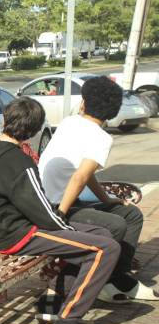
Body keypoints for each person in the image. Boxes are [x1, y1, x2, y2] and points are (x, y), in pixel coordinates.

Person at [0, 97, 118, 324]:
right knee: (106, 249)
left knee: (101, 234)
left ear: (5, 119)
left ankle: (53, 301)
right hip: (19, 234)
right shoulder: (19, 163)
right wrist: (67, 228)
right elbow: (43, 212)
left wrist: (69, 228)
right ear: (35, 132)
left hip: (11, 227)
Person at [38, 75, 157, 306]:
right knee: (115, 225)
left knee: (130, 214)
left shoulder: (70, 122)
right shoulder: (101, 137)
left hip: (57, 201)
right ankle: (63, 286)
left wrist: (109, 199)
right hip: (56, 206)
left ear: (83, 103)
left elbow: (84, 173)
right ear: (112, 112)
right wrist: (60, 215)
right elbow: (80, 177)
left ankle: (115, 277)